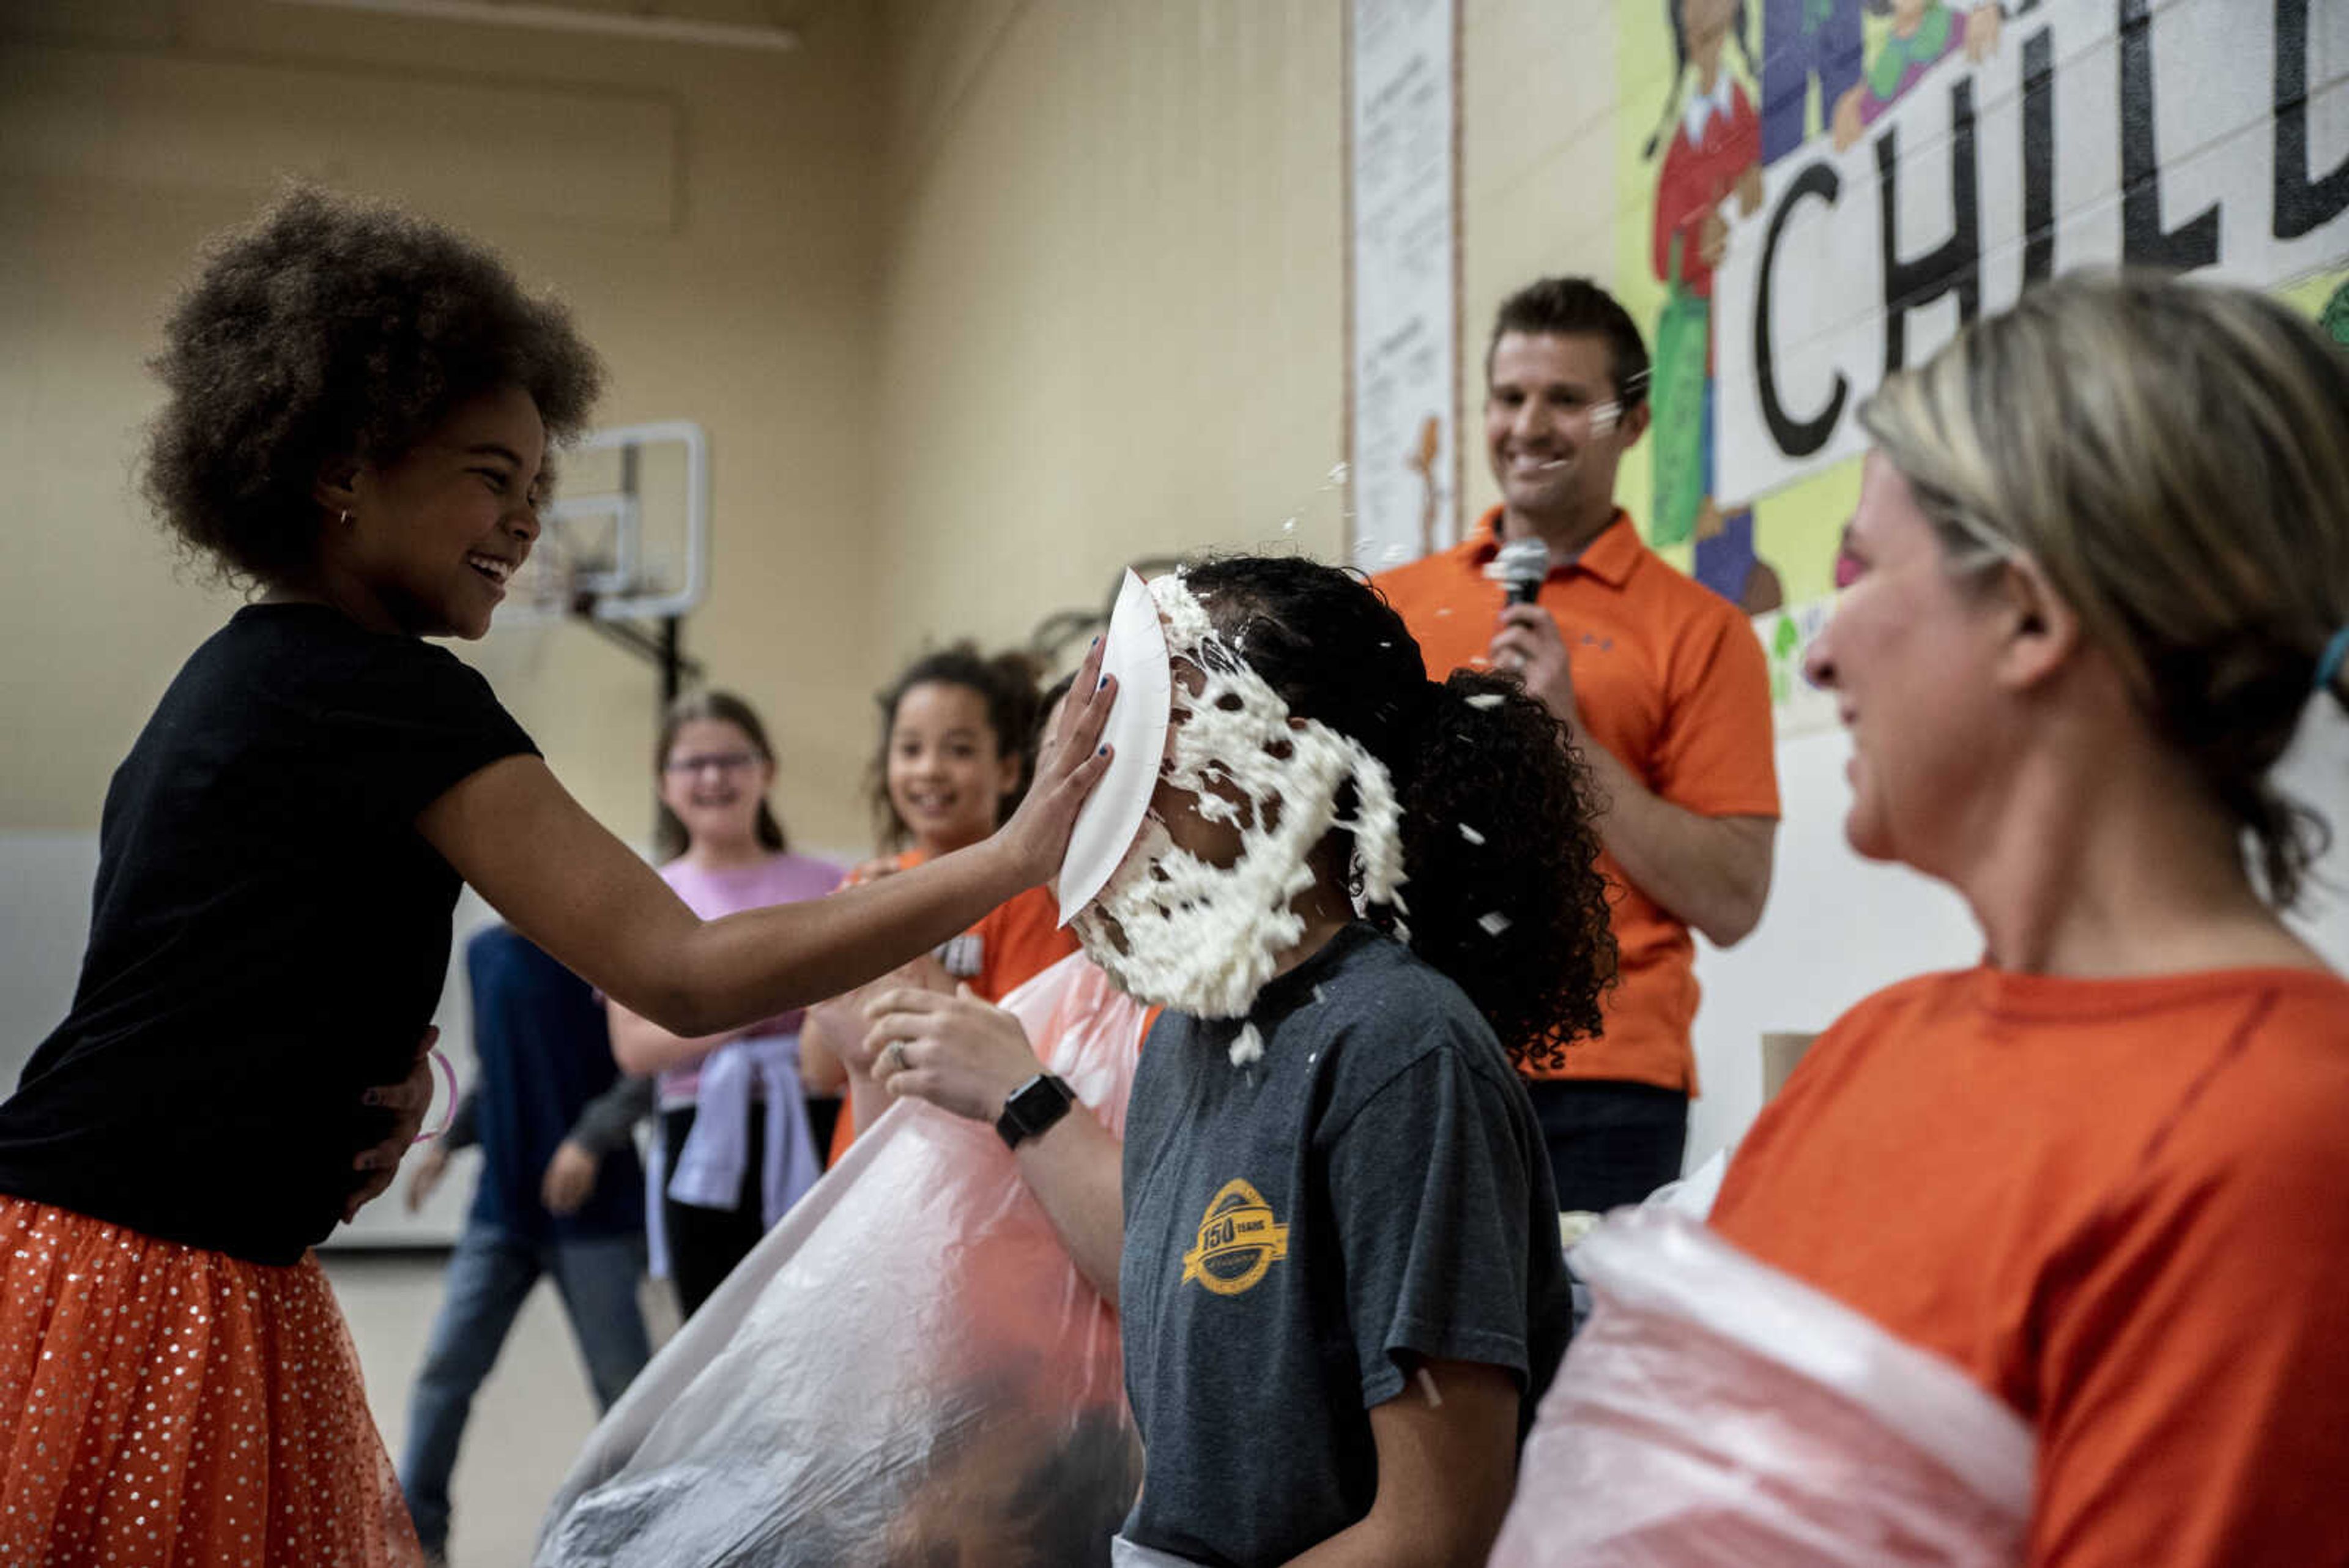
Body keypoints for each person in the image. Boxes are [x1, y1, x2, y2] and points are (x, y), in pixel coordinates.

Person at [0, 186, 1112, 1568]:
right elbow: (684, 973)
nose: (526, 521)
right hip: (151, 1282)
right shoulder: (385, 697)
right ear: (342, 463)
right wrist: (1013, 853)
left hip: (109, 1260)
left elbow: (208, 983)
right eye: (488, 474)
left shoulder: (236, 679)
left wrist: (382, 1075)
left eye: (538, 486)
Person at [1704, 273, 2349, 1562]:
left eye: (1865, 570)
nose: (1819, 658)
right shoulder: (1874, 1050)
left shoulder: (2277, 1144)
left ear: (2034, 616)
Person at [1071, 557, 1614, 1566]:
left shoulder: (1402, 1052)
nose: (1113, 763)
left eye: (1162, 718)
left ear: (1283, 758)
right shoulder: (1185, 1036)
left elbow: (1437, 1526)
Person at [1376, 275, 1781, 1212]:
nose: (1530, 425)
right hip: (1407, 1048)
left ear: (1633, 423)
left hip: (1605, 1084)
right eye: (1510, 397)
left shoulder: (1703, 630)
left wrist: (1566, 737)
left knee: (1576, 1357)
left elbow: (1732, 897)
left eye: (1567, 399)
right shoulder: (1397, 605)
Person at [399, 924, 655, 1567]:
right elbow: (499, 1069)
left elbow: (648, 1068)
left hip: (596, 1216)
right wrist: (451, 1146)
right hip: (502, 1210)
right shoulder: (483, 952)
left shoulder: (603, 944)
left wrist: (589, 1140)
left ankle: (645, 1534)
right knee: (443, 1372)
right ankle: (417, 1534)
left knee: (625, 1390)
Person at [603, 689, 842, 1319]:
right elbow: (634, 1047)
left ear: (768, 771)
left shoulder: (829, 885)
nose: (713, 777)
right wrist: (755, 1006)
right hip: (702, 1128)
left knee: (818, 1316)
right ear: (664, 783)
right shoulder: (647, 895)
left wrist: (727, 1002)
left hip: (818, 1114)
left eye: (733, 759)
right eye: (692, 764)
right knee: (713, 1329)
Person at [804, 644, 1081, 1163]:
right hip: (866, 1165)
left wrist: (904, 952)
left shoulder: (1023, 895)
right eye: (910, 749)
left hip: (968, 1170)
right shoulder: (866, 885)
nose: (929, 769)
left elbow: (1031, 1050)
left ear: (1006, 770)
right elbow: (819, 1070)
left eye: (958, 750)